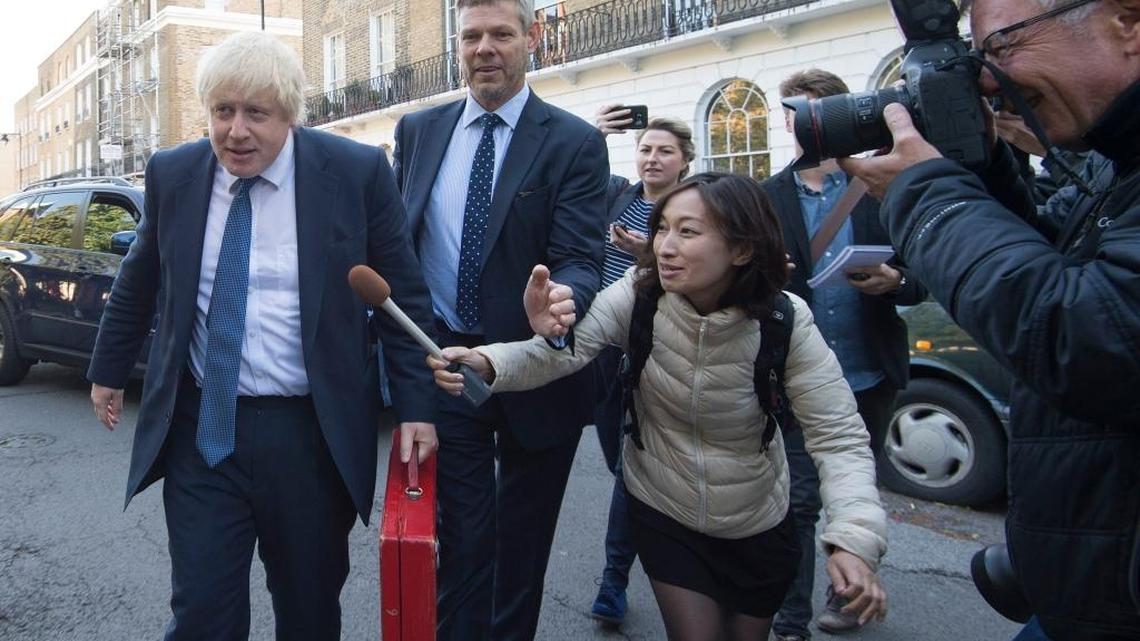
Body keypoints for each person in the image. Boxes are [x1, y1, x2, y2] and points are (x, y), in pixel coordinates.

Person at [430, 172, 888, 641]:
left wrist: (853, 539)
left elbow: (839, 437)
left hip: (758, 522)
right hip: (664, 511)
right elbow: (563, 354)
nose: (665, 246)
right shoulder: (638, 293)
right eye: (662, 227)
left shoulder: (785, 320)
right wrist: (487, 361)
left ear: (743, 248)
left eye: (688, 232)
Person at [86, 31, 438, 641]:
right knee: (201, 614)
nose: (237, 131)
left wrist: (416, 409)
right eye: (223, 111)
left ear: (292, 115)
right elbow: (141, 275)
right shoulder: (174, 174)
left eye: (257, 113)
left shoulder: (352, 174)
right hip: (202, 430)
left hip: (308, 434)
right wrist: (108, 370)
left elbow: (400, 299)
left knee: (307, 611)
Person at [838, 0, 1140, 638]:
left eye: (1002, 48)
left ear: (1128, 23)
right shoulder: (1117, 162)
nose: (985, 80)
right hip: (1089, 584)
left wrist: (926, 193)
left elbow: (1085, 337)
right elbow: (1050, 258)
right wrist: (973, 163)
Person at [390, 1, 609, 639]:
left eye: (501, 35)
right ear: (459, 46)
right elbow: (401, 248)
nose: (485, 48)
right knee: (462, 536)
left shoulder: (573, 142)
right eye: (472, 36)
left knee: (521, 547)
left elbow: (578, 257)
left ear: (533, 38)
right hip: (450, 366)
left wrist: (560, 301)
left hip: (539, 368)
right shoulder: (418, 131)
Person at [763, 69, 927, 641]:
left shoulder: (884, 186)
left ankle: (848, 588)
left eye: (815, 112)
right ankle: (789, 619)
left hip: (870, 372)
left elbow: (924, 271)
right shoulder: (765, 196)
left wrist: (896, 281)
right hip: (798, 378)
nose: (802, 124)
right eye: (794, 113)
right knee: (799, 501)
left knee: (856, 491)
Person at [586, 108, 697, 627]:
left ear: (685, 161)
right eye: (647, 149)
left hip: (662, 345)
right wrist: (596, 133)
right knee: (621, 465)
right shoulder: (618, 197)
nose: (653, 158)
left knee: (633, 468)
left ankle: (614, 581)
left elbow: (701, 272)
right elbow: (575, 170)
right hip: (606, 346)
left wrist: (648, 255)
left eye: (665, 151)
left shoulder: (696, 210)